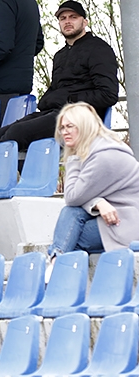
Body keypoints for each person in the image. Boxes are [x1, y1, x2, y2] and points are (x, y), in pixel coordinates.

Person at [0, 0, 118, 169]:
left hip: (82, 117)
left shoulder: (99, 49)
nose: (67, 21)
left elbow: (108, 94)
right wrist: (48, 99)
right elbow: (55, 90)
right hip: (56, 112)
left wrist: (70, 99)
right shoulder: (60, 55)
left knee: (17, 133)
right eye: (63, 18)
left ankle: (6, 182)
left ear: (84, 22)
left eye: (73, 17)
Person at [47, 103, 139, 265]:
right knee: (71, 218)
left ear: (84, 126)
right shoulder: (100, 148)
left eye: (70, 126)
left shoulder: (103, 157)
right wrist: (98, 203)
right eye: (62, 128)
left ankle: (55, 263)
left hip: (126, 223)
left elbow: (72, 197)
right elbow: (78, 198)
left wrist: (73, 159)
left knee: (70, 238)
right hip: (115, 217)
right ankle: (56, 262)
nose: (64, 132)